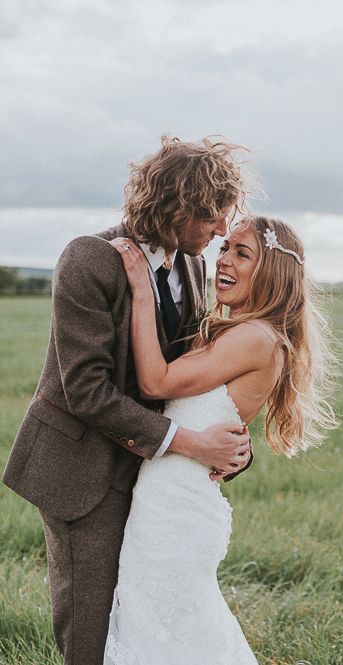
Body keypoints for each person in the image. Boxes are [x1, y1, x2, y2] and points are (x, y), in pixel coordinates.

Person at [2, 136, 254, 665]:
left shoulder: (191, 264)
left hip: (152, 474)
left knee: (141, 616)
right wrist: (191, 444)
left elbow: (185, 375)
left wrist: (229, 441)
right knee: (93, 631)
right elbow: (87, 391)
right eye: (213, 216)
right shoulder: (89, 259)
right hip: (80, 469)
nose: (221, 232)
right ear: (178, 206)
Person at [103, 217, 343, 664]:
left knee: (165, 636)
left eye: (242, 253)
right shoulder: (236, 330)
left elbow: (155, 382)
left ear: (271, 273)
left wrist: (141, 292)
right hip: (165, 506)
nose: (224, 260)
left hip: (176, 516)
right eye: (224, 247)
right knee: (171, 636)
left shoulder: (256, 338)